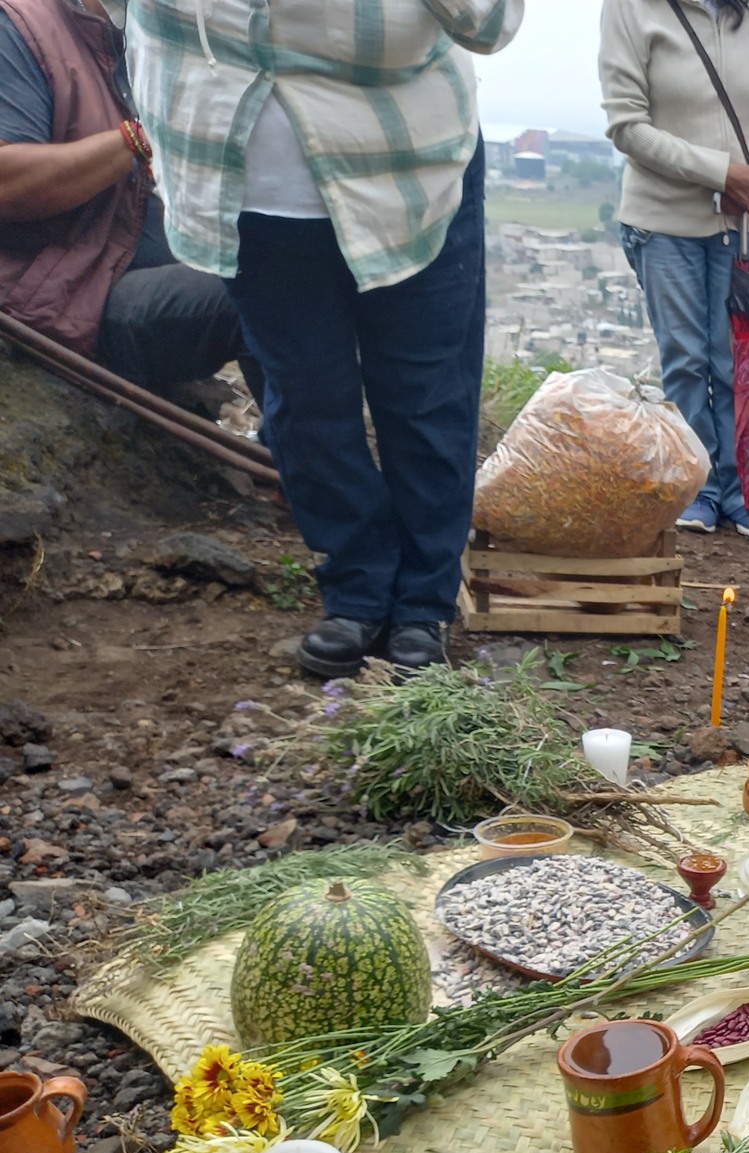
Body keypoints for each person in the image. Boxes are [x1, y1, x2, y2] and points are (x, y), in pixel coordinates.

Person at [128, 0, 520, 678]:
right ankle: (357, 589)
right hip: (246, 191)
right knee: (306, 400)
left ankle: (423, 604)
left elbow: (490, 21)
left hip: (409, 176)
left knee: (425, 396)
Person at [602, 0, 749, 543]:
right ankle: (697, 490)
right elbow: (627, 125)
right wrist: (720, 174)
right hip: (662, 222)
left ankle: (744, 496)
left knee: (738, 362)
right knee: (686, 362)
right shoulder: (630, 8)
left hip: (746, 224)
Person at [0, 0, 250, 396]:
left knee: (298, 257)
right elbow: (6, 183)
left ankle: (292, 447)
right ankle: (309, 455)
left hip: (124, 253)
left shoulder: (139, 31)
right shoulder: (19, 27)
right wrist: (138, 135)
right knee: (262, 291)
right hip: (66, 294)